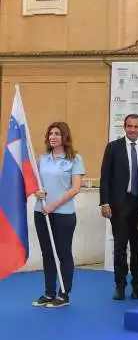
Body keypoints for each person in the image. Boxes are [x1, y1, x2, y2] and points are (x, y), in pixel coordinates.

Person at [99, 114, 138, 301]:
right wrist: (104, 202)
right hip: (119, 205)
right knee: (120, 248)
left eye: (136, 126)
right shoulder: (113, 147)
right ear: (124, 127)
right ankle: (120, 286)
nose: (132, 129)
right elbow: (105, 176)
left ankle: (137, 286)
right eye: (129, 126)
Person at [32, 122, 85, 308]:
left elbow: (75, 188)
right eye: (50, 134)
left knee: (63, 253)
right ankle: (49, 293)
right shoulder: (41, 160)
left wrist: (53, 206)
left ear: (65, 137)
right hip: (41, 213)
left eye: (57, 133)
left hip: (63, 214)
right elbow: (34, 184)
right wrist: (36, 192)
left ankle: (64, 294)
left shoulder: (75, 159)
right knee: (47, 253)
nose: (53, 137)